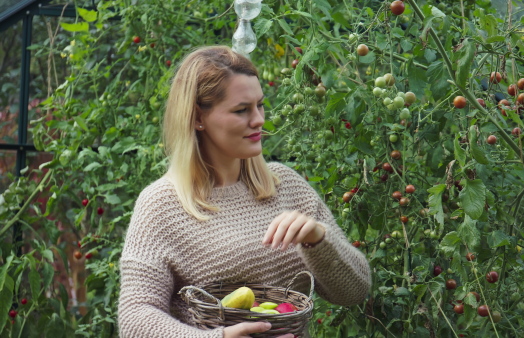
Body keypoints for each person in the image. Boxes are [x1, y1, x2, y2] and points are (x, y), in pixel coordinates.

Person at [117, 46, 371, 338]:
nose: (259, 120)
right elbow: (135, 320)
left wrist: (318, 238)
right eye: (242, 110)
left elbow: (355, 290)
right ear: (198, 118)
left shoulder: (286, 186)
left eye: (260, 105)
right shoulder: (161, 205)